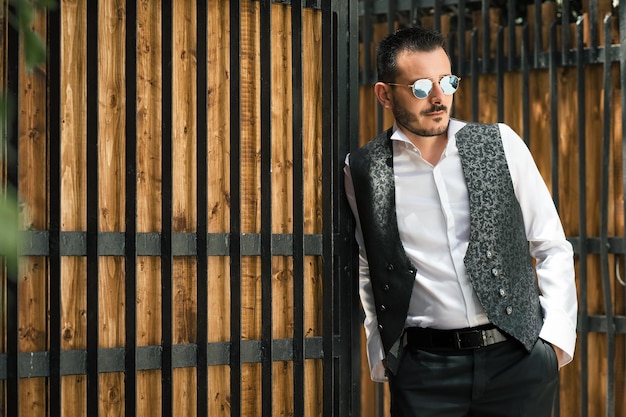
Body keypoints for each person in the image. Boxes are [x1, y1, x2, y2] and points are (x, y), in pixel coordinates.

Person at [344, 26, 577, 417]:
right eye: (420, 87)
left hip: (518, 360)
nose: (438, 98)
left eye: (446, 81)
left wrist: (553, 344)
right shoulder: (365, 169)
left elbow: (551, 245)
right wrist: (380, 352)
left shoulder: (501, 144)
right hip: (424, 371)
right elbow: (370, 264)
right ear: (385, 94)